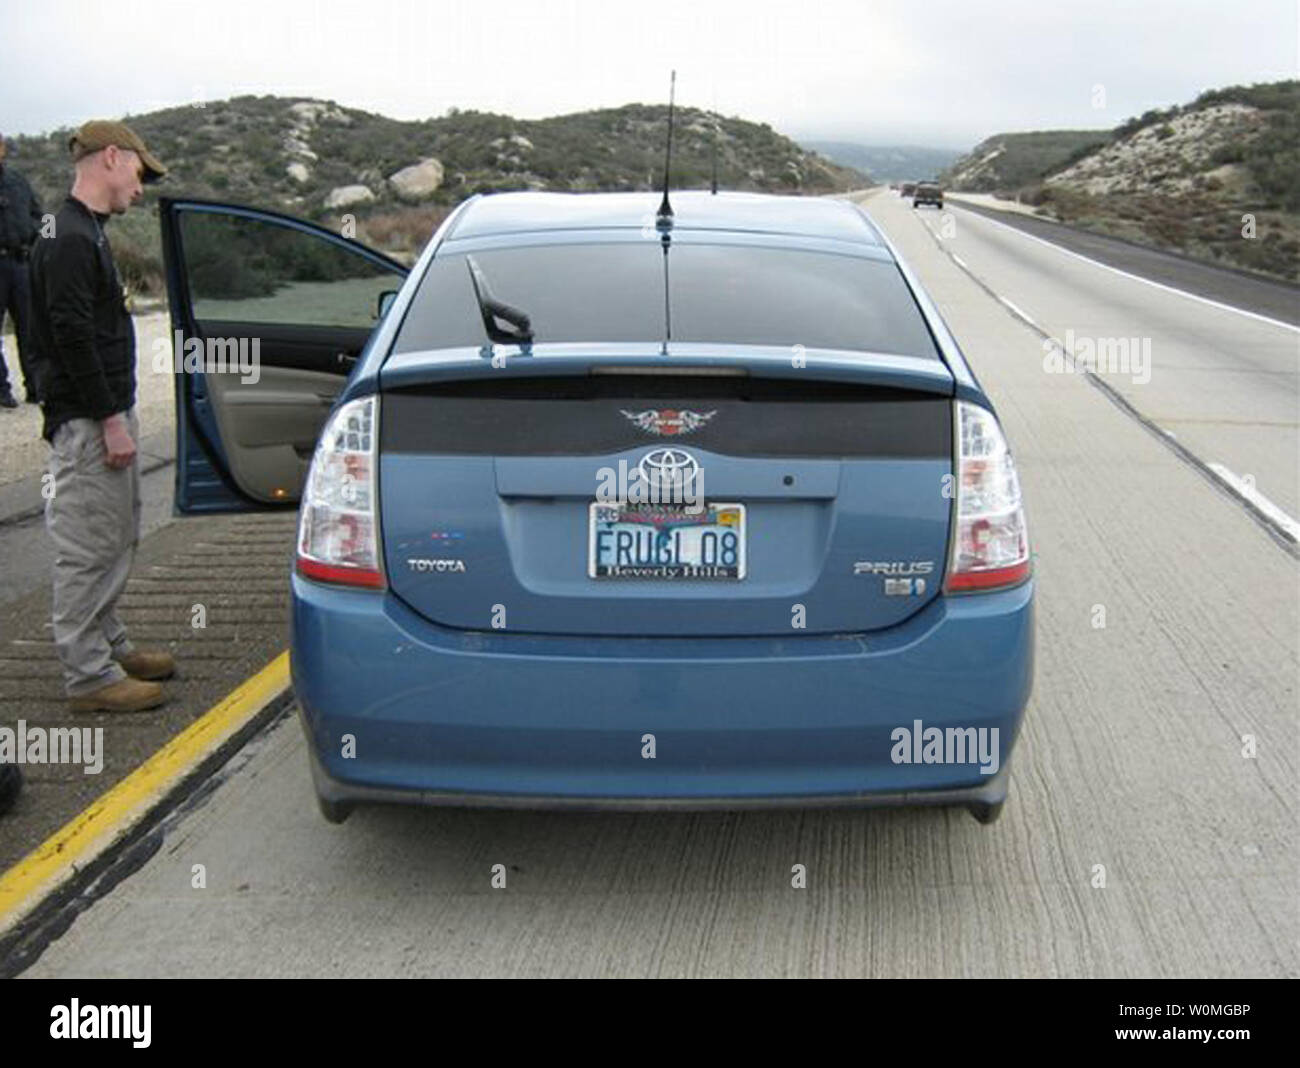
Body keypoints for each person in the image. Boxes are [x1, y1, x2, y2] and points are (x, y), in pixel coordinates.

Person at [30, 120, 175, 713]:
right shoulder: (66, 236)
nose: (140, 189)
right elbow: (69, 335)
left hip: (104, 414)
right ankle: (88, 674)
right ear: (111, 157)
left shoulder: (84, 230)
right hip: (90, 421)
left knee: (116, 535)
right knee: (89, 545)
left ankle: (107, 643)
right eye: (139, 174)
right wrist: (109, 417)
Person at [0, 131, 44, 407]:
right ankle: (1, 389)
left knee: (30, 329)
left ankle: (36, 387)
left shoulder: (18, 181)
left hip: (21, 264)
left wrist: (51, 241)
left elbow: (41, 215)